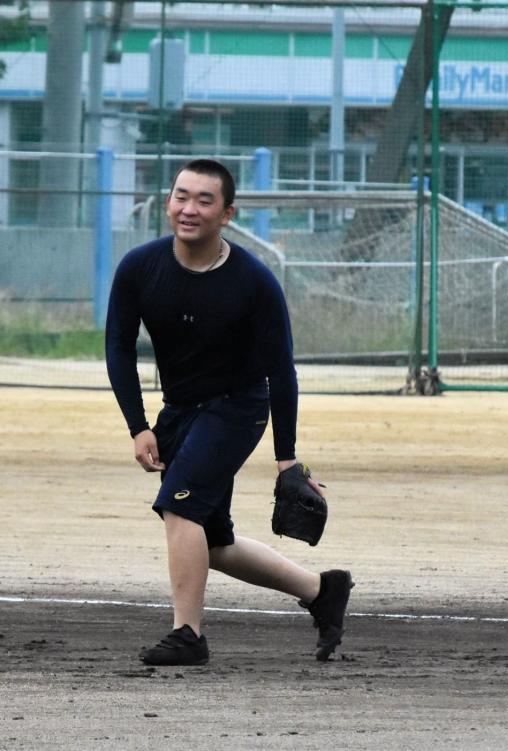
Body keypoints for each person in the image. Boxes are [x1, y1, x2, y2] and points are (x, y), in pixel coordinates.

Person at [105, 158, 352, 666]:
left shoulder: (254, 282)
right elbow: (118, 349)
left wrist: (287, 459)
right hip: (181, 411)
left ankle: (188, 635)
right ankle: (322, 590)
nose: (188, 208)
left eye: (203, 200)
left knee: (179, 506)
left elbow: (281, 371)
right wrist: (139, 426)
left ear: (227, 213)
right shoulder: (140, 268)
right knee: (213, 543)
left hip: (237, 407)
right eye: (180, 196)